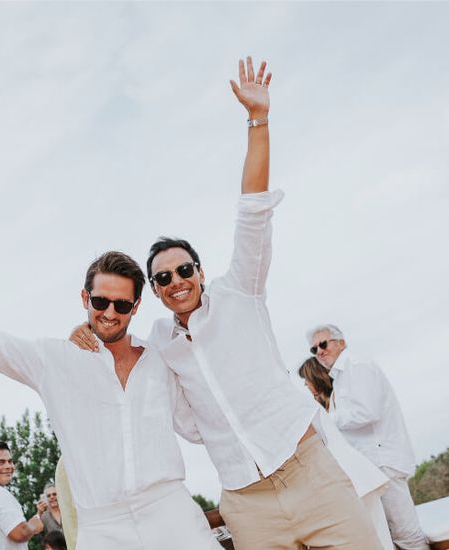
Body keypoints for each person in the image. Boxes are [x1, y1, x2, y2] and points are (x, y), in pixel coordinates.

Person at [68, 56, 380, 550]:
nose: (177, 281)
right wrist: (83, 334)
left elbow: (252, 210)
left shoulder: (242, 292)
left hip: (310, 475)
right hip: (246, 502)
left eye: (185, 270)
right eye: (164, 277)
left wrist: (258, 120)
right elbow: (130, 367)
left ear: (201, 271)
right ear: (155, 290)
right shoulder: (161, 346)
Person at [0, 217, 221, 549]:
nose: (109, 312)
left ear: (135, 306)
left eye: (121, 304)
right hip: (103, 527)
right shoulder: (55, 360)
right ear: (85, 298)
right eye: (100, 302)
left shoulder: (159, 359)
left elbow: (197, 425)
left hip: (172, 512)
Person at [307, 324, 430, 550]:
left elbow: (367, 411)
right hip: (374, 466)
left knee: (407, 535)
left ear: (341, 342)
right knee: (392, 538)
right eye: (314, 349)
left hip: (382, 460)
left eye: (323, 344)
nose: (320, 351)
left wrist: (325, 420)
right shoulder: (343, 375)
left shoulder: (357, 366)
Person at [298, 357, 394, 550]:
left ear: (314, 378)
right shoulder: (323, 405)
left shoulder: (317, 409)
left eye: (306, 380)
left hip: (357, 479)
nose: (305, 386)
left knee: (382, 537)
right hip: (356, 480)